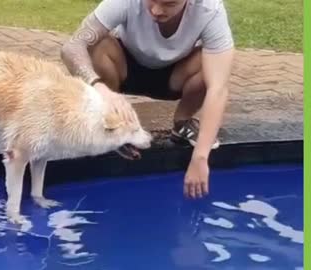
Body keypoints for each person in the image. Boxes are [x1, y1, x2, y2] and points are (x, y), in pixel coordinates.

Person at [60, 0, 235, 199]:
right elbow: (72, 47)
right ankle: (112, 121)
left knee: (214, 65)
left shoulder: (209, 9)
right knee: (97, 44)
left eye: (169, 4)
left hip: (175, 76)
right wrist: (99, 87)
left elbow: (218, 89)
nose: (157, 11)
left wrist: (201, 157)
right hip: (123, 68)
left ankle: (182, 123)